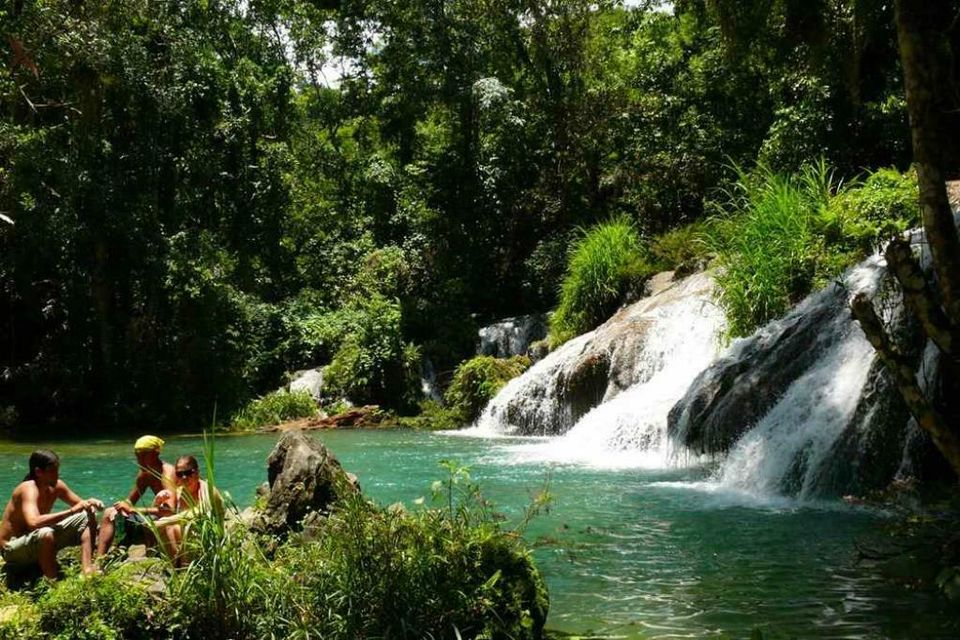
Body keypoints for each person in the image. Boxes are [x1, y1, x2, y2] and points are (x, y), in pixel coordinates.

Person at [0, 450, 105, 579]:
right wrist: (71, 511)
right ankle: (54, 581)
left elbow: (81, 505)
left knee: (88, 515)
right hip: (13, 549)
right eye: (52, 471)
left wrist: (90, 502)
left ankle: (87, 569)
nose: (56, 475)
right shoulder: (28, 488)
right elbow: (33, 522)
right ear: (38, 472)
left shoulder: (57, 486)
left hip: (35, 541)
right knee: (45, 532)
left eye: (57, 470)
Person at [99, 435, 176, 553]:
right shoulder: (145, 473)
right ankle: (100, 560)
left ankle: (151, 552)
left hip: (171, 518)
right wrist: (122, 506)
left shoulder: (167, 473)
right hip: (157, 514)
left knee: (149, 521)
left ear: (156, 453)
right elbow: (130, 501)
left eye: (144, 455)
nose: (140, 460)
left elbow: (170, 510)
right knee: (109, 513)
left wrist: (132, 509)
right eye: (138, 456)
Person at [154, 455, 222, 566]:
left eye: (188, 473)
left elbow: (199, 512)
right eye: (180, 474)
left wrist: (166, 520)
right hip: (188, 542)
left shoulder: (207, 490)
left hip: (211, 540)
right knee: (165, 526)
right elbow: (165, 513)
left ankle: (186, 569)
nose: (184, 478)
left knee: (188, 526)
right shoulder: (180, 492)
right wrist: (157, 502)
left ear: (197, 472)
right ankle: (173, 566)